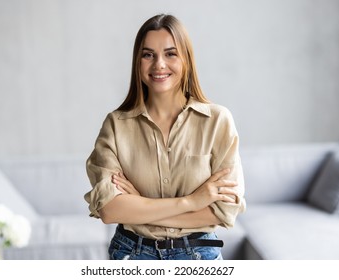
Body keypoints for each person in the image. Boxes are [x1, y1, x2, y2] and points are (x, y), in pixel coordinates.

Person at [84, 14, 245, 260]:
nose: (159, 64)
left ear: (186, 60)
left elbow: (223, 211)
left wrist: (138, 204)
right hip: (131, 254)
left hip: (198, 255)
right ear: (137, 63)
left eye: (170, 53)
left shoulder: (217, 121)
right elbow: (110, 209)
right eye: (148, 55)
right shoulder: (116, 125)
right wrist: (192, 201)